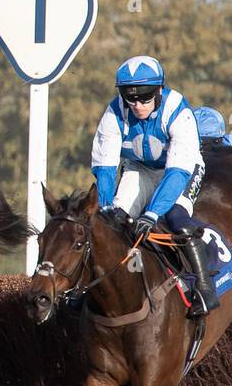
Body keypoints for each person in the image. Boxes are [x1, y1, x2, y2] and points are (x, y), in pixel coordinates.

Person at [91, 56, 221, 316]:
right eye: (131, 97)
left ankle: (205, 288)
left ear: (159, 90)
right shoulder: (114, 112)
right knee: (112, 222)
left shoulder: (178, 111)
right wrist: (105, 208)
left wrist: (152, 213)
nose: (138, 104)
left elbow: (176, 172)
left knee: (174, 216)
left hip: (181, 169)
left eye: (146, 97)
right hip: (139, 168)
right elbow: (105, 168)